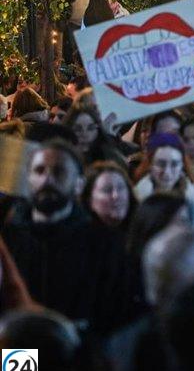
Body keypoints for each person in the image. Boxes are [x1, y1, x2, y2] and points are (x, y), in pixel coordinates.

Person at [2, 139, 127, 331]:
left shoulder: (103, 243)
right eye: (39, 171)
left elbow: (113, 314)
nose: (47, 180)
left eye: (59, 172)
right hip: (20, 351)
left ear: (79, 184)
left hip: (78, 353)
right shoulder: (8, 240)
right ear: (28, 177)